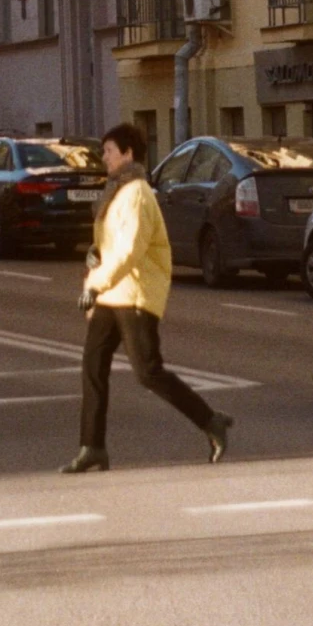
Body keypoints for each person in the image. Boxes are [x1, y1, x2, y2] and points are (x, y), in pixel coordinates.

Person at [61, 120, 231, 474]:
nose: (104, 157)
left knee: (148, 372)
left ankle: (210, 420)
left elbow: (131, 250)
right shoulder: (117, 191)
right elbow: (111, 244)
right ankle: (91, 446)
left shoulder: (137, 193)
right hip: (113, 293)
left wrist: (96, 283)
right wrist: (94, 253)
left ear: (128, 154)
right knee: (93, 366)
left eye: (109, 151)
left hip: (135, 294)